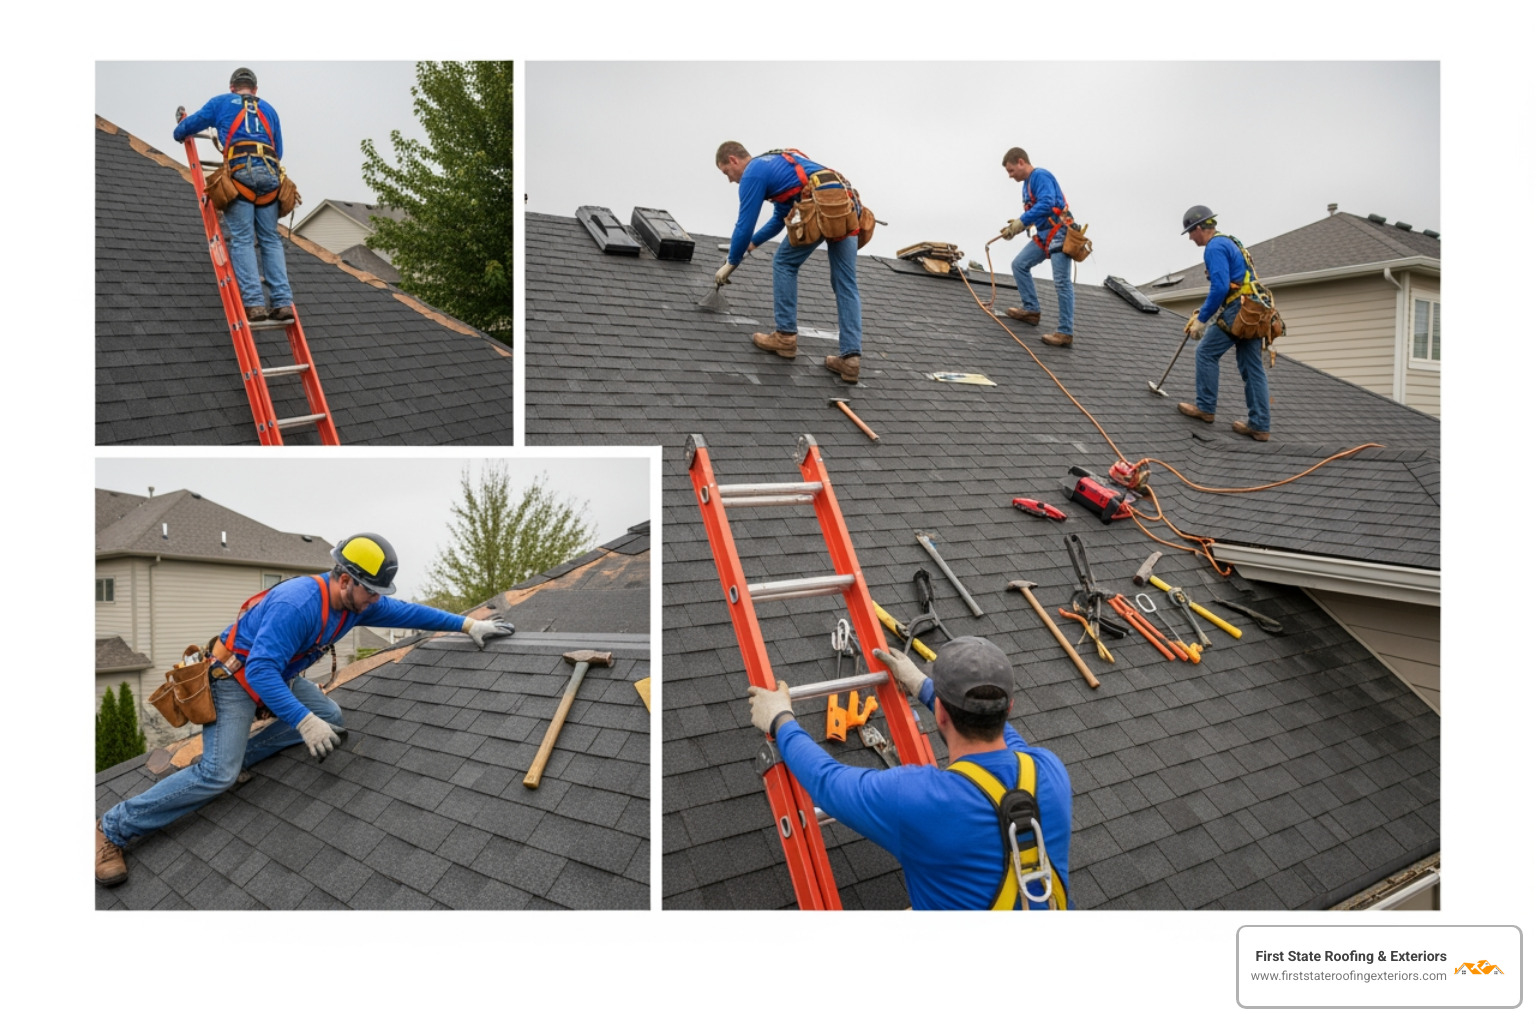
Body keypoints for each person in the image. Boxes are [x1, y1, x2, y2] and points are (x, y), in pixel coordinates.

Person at [95, 532, 513, 887]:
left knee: (331, 718)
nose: (375, 601)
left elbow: (408, 612)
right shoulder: (296, 605)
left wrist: (467, 624)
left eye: (378, 594)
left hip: (275, 675)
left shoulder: (356, 603)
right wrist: (301, 720)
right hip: (235, 679)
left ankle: (238, 755)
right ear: (346, 580)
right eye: (371, 592)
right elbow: (259, 672)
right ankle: (111, 829)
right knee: (218, 775)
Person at [746, 637, 1072, 910]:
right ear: (1009, 707)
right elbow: (1008, 740)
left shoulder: (919, 799)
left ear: (941, 713)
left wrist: (780, 719)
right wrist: (921, 685)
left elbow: (827, 782)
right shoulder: (1049, 769)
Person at [713, 142, 864, 383]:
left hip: (820, 205)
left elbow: (744, 223)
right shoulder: (779, 165)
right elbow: (779, 219)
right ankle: (851, 359)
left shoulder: (753, 172)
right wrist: (750, 246)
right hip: (846, 205)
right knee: (846, 283)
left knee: (784, 263)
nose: (730, 180)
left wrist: (731, 262)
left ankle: (785, 337)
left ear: (733, 160)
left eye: (726, 172)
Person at [173, 67, 294, 324]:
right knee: (271, 239)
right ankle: (283, 302)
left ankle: (255, 304)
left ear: (232, 87)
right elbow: (279, 150)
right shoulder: (269, 110)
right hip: (271, 177)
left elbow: (186, 128)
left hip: (240, 175)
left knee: (242, 239)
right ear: (255, 89)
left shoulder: (220, 102)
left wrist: (180, 127)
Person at [1176, 205, 1273, 442]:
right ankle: (1260, 426)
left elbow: (1219, 288)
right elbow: (1231, 285)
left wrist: (1201, 320)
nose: (1190, 238)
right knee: (1252, 367)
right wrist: (1205, 311)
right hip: (1255, 309)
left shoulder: (1214, 247)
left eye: (1191, 232)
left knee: (1206, 352)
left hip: (1239, 309)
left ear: (1200, 228)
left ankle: (1205, 408)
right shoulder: (1230, 242)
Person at [999, 148, 1076, 347]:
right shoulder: (1027, 185)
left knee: (1061, 282)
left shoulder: (1040, 176)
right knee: (1019, 265)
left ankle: (1065, 332)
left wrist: (1021, 221)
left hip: (1059, 233)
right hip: (1044, 234)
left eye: (1011, 170)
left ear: (1021, 162)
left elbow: (1047, 203)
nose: (1010, 176)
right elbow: (1037, 211)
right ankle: (1031, 310)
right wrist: (1017, 226)